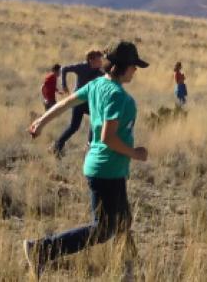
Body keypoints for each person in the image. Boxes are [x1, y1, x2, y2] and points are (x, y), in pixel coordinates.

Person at [24, 41, 149, 279]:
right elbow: (108, 138)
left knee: (123, 219)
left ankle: (131, 270)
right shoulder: (120, 97)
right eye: (134, 66)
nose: (136, 70)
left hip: (102, 166)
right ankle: (41, 250)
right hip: (107, 170)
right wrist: (136, 154)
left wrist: (41, 122)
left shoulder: (96, 85)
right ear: (122, 66)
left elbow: (65, 103)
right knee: (102, 230)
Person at [53, 50, 106, 158]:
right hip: (78, 101)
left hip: (88, 101)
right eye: (98, 60)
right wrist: (64, 85)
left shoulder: (99, 70)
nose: (101, 62)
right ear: (91, 60)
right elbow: (65, 69)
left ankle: (90, 145)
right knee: (74, 127)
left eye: (101, 60)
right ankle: (57, 146)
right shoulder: (81, 67)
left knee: (96, 119)